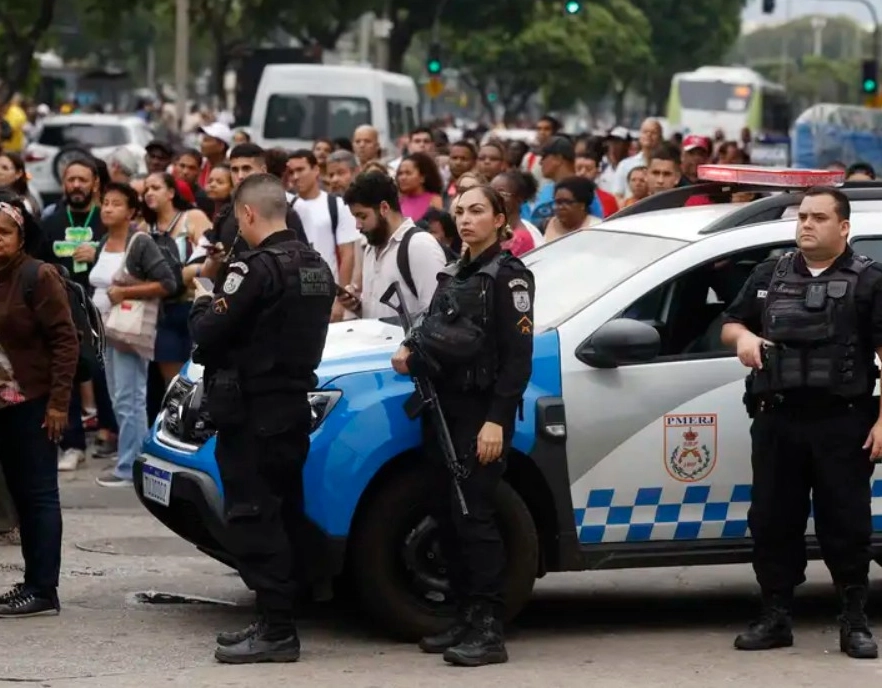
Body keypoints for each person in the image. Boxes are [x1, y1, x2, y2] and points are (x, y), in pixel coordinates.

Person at [721, 186, 882, 660]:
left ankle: (854, 621)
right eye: (803, 217)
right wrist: (745, 337)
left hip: (842, 422)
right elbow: (730, 321)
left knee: (846, 524)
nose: (806, 225)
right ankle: (776, 617)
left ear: (844, 227)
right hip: (777, 420)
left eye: (818, 217)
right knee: (772, 521)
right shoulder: (770, 273)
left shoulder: (870, 281)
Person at [189, 174, 335, 664]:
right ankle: (281, 615)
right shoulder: (316, 264)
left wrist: (204, 300)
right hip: (291, 406)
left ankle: (277, 629)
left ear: (248, 214)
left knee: (255, 516)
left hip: (253, 409)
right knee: (283, 511)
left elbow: (209, 332)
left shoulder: (253, 269)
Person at [391, 184, 534, 667]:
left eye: (477, 211)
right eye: (459, 211)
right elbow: (432, 324)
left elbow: (517, 361)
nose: (466, 219)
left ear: (500, 218)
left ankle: (489, 629)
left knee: (476, 517)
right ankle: (464, 616)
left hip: (479, 413)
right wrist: (411, 348)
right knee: (446, 514)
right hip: (442, 409)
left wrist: (496, 421)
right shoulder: (454, 272)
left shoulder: (509, 277)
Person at [0, 193, 79, 616]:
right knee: (17, 495)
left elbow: (66, 342)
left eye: (4, 232)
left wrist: (58, 404)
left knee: (38, 495)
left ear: (21, 236)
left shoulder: (37, 275)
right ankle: (31, 582)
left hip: (32, 404)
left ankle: (43, 586)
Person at [340, 171, 447, 320]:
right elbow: (376, 315)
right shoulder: (371, 248)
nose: (357, 225)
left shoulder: (420, 246)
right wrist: (357, 307)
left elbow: (437, 315)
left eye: (362, 216)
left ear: (384, 208)